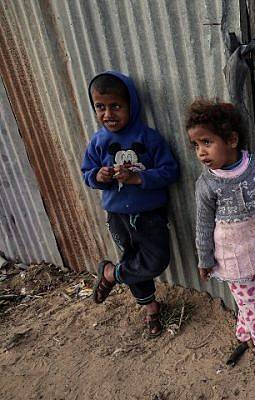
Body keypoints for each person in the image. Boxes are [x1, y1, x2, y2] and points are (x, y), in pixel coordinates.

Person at [186, 99, 255, 371]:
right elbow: (203, 225)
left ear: (232, 139)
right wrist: (204, 259)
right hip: (233, 257)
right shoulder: (207, 184)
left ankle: (244, 333)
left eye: (207, 142)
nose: (200, 152)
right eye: (196, 145)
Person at [81, 71, 179, 337]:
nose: (108, 114)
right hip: (117, 214)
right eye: (100, 107)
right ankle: (151, 309)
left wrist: (138, 177)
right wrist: (98, 176)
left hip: (148, 214)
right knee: (132, 260)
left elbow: (171, 171)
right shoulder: (98, 142)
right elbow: (87, 173)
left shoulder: (149, 138)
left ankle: (112, 274)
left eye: (116, 106)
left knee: (156, 260)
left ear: (131, 105)